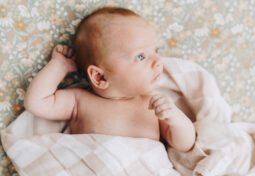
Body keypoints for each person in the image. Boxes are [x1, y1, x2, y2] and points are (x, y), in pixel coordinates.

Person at [24, 6, 195, 152]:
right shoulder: (79, 101)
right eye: (141, 56)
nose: (158, 61)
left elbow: (184, 145)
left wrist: (176, 118)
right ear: (99, 76)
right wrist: (59, 66)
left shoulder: (152, 104)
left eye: (156, 51)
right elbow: (36, 103)